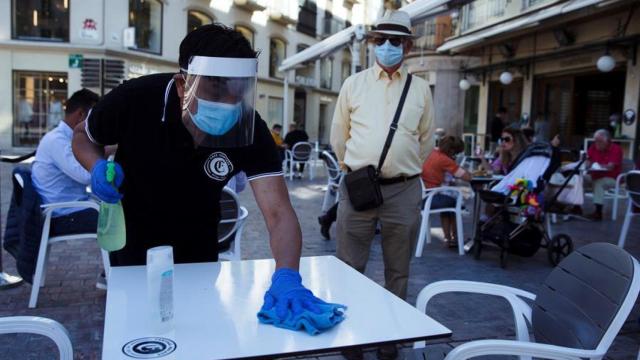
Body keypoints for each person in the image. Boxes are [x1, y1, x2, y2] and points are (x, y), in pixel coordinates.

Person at [71, 24, 335, 330]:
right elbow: (83, 137)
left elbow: (278, 212)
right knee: (136, 330)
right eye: (215, 88)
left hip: (199, 248)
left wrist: (288, 275)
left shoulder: (250, 128)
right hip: (133, 246)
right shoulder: (135, 99)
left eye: (238, 89)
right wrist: (95, 166)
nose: (227, 101)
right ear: (183, 84)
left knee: (200, 330)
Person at [330, 10, 433, 360]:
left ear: (407, 45)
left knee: (398, 269)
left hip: (404, 189)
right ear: (374, 43)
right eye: (381, 40)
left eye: (395, 40)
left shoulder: (419, 89)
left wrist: (399, 166)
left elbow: (426, 140)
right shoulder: (353, 84)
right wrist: (356, 168)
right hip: (359, 185)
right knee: (349, 264)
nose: (387, 46)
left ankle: (389, 336)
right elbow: (339, 137)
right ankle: (350, 337)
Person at [32, 89, 101, 234]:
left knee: (118, 212)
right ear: (81, 115)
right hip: (61, 215)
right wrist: (104, 152)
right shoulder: (57, 140)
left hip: (72, 207)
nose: (95, 122)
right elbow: (86, 176)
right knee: (119, 221)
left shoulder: (65, 138)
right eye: (94, 117)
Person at [421, 136, 472, 248]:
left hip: (424, 195)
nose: (456, 155)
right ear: (452, 150)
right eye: (456, 152)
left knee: (448, 203)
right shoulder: (445, 159)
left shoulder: (432, 153)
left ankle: (448, 237)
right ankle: (455, 237)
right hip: (433, 196)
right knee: (454, 202)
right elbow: (467, 177)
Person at [585, 129, 623, 221]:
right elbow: (587, 160)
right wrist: (587, 163)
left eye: (600, 141)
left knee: (599, 182)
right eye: (596, 141)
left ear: (608, 141)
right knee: (579, 178)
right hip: (594, 175)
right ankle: (576, 206)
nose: (597, 144)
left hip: (612, 178)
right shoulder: (593, 147)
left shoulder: (616, 149)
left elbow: (610, 167)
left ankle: (598, 212)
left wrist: (596, 165)